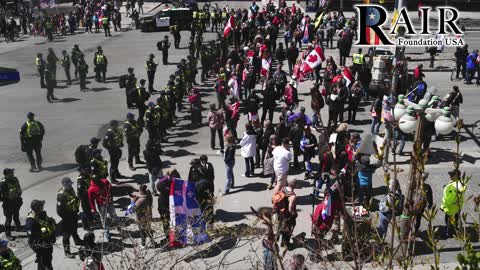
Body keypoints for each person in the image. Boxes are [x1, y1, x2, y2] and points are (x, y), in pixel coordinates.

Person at [26, 199, 56, 270]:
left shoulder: (40, 214)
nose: (43, 207)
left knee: (44, 262)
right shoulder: (31, 221)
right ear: (38, 208)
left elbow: (46, 223)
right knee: (46, 264)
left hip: (47, 242)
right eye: (41, 206)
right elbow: (31, 239)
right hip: (41, 246)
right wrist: (40, 245)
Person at [57, 177, 83, 258]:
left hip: (73, 214)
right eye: (69, 184)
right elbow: (59, 211)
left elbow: (73, 200)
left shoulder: (70, 189)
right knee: (66, 235)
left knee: (74, 229)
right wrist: (67, 218)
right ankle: (67, 251)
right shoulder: (61, 195)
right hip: (67, 217)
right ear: (64, 184)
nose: (71, 185)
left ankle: (77, 241)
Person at [88, 175, 118, 241]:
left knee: (113, 214)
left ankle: (118, 226)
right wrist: (94, 209)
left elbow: (111, 188)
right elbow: (91, 200)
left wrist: (111, 196)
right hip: (101, 205)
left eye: (99, 180)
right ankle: (107, 232)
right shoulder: (91, 189)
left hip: (109, 202)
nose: (99, 182)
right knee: (104, 219)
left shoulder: (105, 181)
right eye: (97, 181)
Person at [440, 170, 466, 238]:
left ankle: (448, 233)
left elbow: (460, 190)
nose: (450, 176)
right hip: (453, 206)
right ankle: (453, 230)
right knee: (454, 219)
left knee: (449, 220)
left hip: (451, 206)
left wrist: (444, 206)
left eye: (452, 175)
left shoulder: (458, 185)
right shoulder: (454, 183)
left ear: (456, 176)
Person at [0, 168, 22, 241]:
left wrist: (18, 194)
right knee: (8, 220)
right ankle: (8, 234)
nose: (13, 173)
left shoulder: (15, 179)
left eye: (12, 172)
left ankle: (18, 229)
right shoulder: (3, 183)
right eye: (11, 172)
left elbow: (18, 187)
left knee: (16, 216)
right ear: (7, 174)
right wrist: (8, 199)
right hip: (8, 205)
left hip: (16, 202)